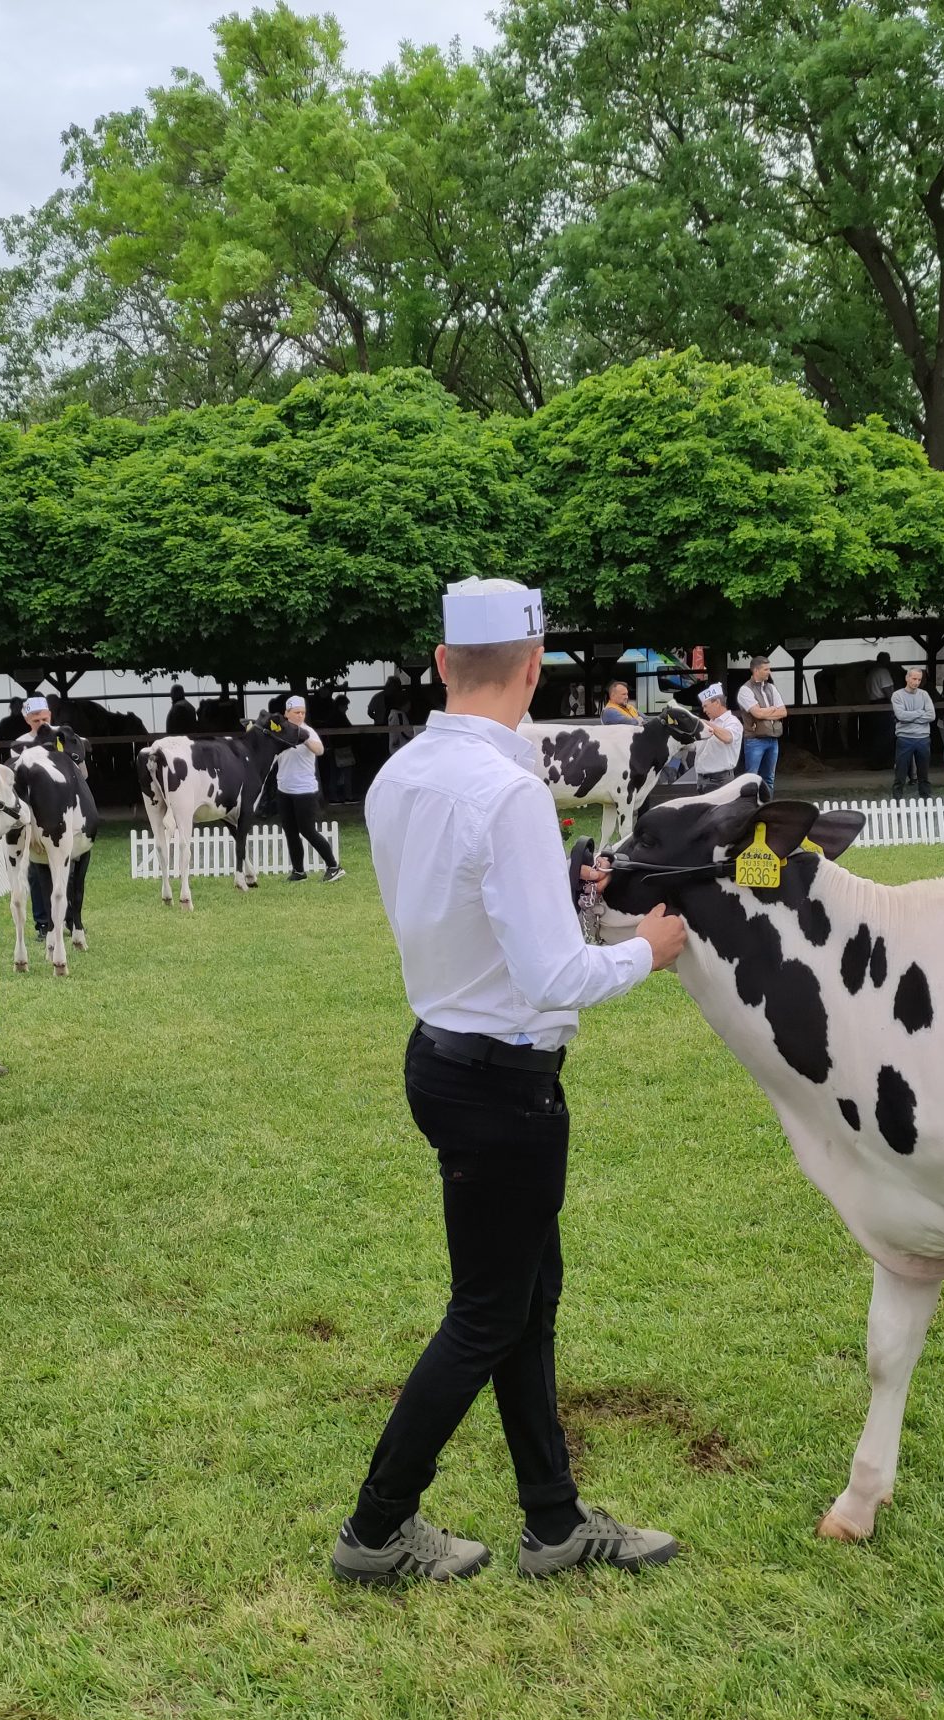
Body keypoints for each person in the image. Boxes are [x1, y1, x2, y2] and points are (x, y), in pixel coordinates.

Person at [337, 575, 687, 1586]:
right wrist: (650, 948)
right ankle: (375, 1526)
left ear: (444, 663)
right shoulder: (511, 790)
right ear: (531, 669)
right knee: (490, 1310)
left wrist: (553, 891)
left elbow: (457, 912)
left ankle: (553, 1518)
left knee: (525, 1296)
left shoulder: (398, 776)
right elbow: (552, 975)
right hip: (503, 1081)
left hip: (445, 1054)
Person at [272, 694, 346, 882]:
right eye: (296, 712)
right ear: (286, 713)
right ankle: (298, 871)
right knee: (290, 831)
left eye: (303, 712)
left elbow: (320, 750)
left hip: (304, 790)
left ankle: (334, 866)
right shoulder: (280, 732)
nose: (300, 716)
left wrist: (303, 738)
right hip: (284, 789)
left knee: (307, 830)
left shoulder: (308, 731)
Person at [734, 656, 787, 792]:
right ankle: (751, 808)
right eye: (766, 669)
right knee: (751, 778)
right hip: (754, 739)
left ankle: (767, 807)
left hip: (772, 738)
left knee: (769, 778)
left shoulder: (771, 688)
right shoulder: (745, 690)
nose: (769, 672)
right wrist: (772, 709)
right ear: (756, 670)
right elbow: (757, 714)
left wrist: (764, 712)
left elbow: (783, 712)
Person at [687, 683, 744, 791]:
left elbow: (728, 737)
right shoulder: (709, 723)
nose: (704, 710)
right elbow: (694, 746)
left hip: (720, 781)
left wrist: (706, 724)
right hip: (702, 779)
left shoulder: (732, 722)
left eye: (705, 706)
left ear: (717, 702)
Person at [890, 665, 937, 795]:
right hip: (904, 738)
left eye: (919, 680)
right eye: (914, 679)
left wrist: (910, 716)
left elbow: (931, 715)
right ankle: (897, 804)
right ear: (907, 678)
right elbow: (900, 715)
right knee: (900, 774)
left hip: (923, 738)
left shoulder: (924, 694)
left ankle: (926, 803)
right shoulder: (897, 695)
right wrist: (920, 713)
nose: (916, 682)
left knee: (924, 775)